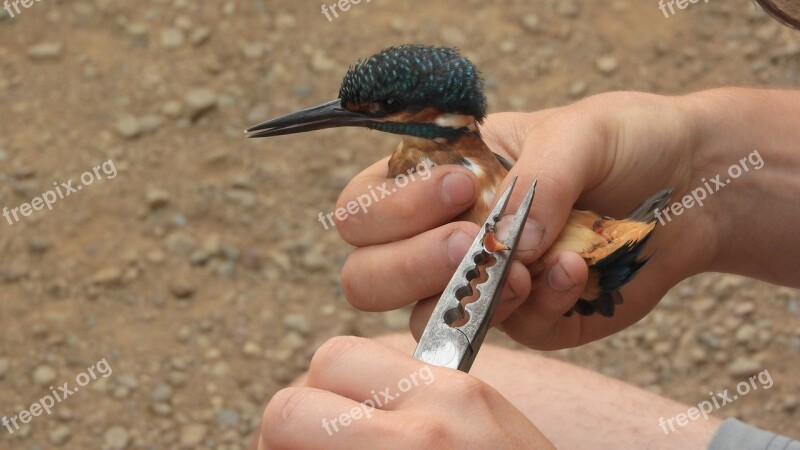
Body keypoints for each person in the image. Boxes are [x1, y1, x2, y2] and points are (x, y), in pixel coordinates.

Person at [252, 88, 800, 449]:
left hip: (594, 249)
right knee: (344, 399)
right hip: (600, 245)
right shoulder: (460, 162)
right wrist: (701, 173)